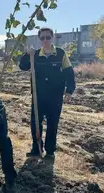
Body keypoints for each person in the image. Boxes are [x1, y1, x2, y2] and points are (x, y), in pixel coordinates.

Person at [18, 27, 76, 159]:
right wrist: (27, 54)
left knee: (53, 123)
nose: (45, 40)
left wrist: (69, 91)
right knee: (35, 122)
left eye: (48, 37)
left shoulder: (60, 54)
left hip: (55, 95)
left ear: (52, 38)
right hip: (38, 95)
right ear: (39, 39)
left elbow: (69, 73)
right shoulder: (36, 54)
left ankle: (50, 150)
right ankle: (36, 148)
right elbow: (23, 66)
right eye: (42, 38)